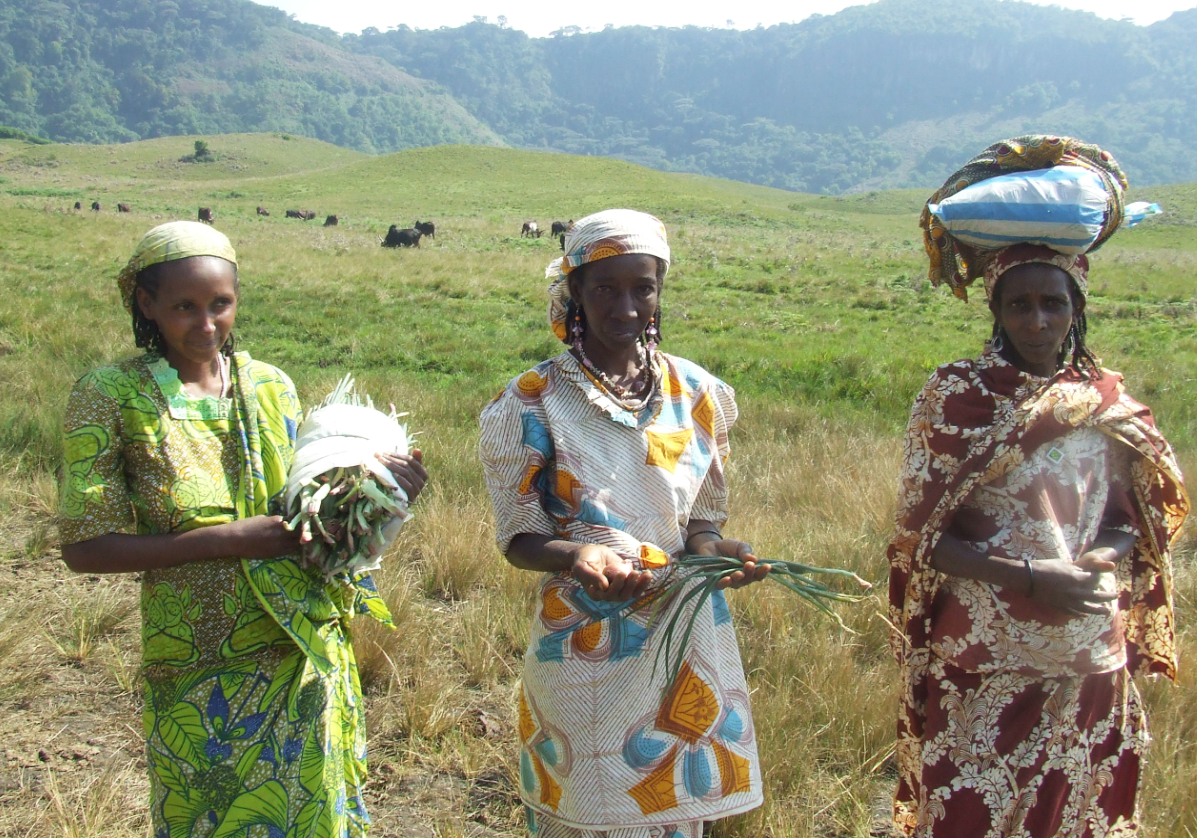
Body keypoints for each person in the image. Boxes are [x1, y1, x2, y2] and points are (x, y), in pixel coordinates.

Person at [58, 221, 428, 837]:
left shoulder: (270, 387)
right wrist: (230, 541)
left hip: (301, 651)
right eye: (184, 307)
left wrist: (377, 497)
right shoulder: (111, 397)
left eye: (220, 304)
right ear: (145, 305)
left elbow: (311, 519)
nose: (205, 325)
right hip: (199, 667)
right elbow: (83, 548)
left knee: (309, 815)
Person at [888, 138, 1189, 837]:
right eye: (1017, 304)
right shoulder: (955, 396)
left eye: (1051, 303)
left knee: (1076, 815)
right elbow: (925, 540)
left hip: (1087, 658)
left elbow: (1129, 518)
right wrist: (1028, 578)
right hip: (983, 662)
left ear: (1075, 305)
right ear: (994, 308)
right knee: (968, 813)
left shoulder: (1104, 401)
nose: (1036, 321)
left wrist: (1099, 560)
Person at [479, 209, 768, 837]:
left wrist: (716, 551)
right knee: (590, 811)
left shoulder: (695, 393)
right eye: (605, 288)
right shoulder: (532, 400)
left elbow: (699, 522)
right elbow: (520, 540)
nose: (626, 306)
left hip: (683, 639)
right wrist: (575, 555)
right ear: (575, 292)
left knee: (673, 812)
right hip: (586, 643)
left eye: (643, 287)